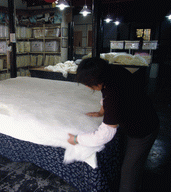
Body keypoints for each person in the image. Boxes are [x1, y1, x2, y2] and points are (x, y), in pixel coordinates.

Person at [68, 57, 159, 192]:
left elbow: (104, 135)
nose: (87, 87)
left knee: (129, 172)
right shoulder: (112, 71)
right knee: (127, 159)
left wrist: (76, 139)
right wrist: (101, 112)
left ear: (95, 82)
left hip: (143, 130)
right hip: (142, 114)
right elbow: (105, 96)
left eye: (87, 84)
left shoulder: (113, 96)